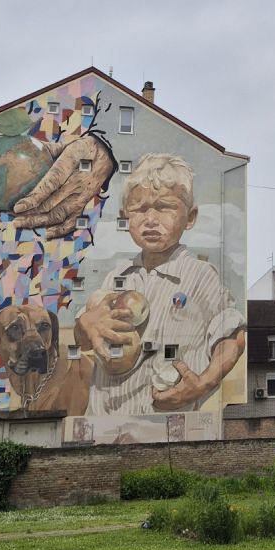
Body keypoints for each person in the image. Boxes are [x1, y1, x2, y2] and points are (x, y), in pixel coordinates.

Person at [73, 153, 245, 418]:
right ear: (124, 217)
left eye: (165, 207)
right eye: (140, 209)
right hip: (102, 422)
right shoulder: (116, 278)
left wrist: (204, 383)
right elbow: (83, 339)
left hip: (165, 426)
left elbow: (233, 336)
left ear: (190, 217)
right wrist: (85, 324)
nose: (150, 219)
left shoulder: (200, 276)